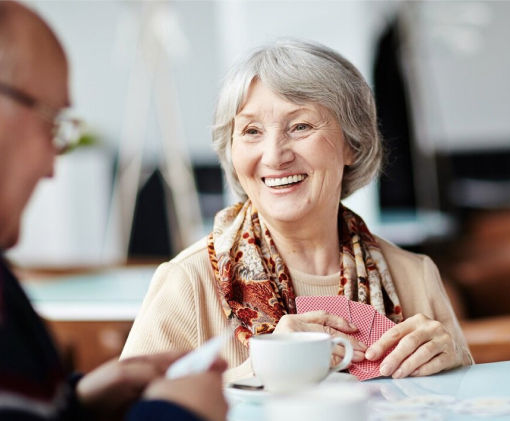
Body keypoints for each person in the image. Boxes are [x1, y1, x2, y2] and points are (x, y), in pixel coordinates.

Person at [121, 39, 473, 382]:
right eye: (252, 130)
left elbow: (461, 407)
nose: (274, 155)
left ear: (352, 143)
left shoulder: (416, 276)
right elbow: (131, 411)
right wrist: (258, 372)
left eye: (300, 126)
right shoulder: (188, 282)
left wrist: (455, 366)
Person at [0, 2, 227, 420]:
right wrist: (173, 413)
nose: (53, 167)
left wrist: (80, 400)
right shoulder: (188, 276)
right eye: (52, 124)